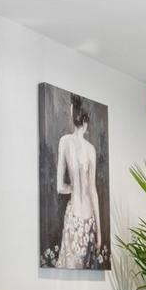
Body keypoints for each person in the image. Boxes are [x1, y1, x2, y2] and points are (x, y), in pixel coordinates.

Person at [53, 95, 102, 269]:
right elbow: (93, 191)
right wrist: (100, 234)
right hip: (89, 220)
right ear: (87, 121)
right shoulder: (91, 149)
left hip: (74, 216)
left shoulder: (64, 142)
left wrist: (73, 188)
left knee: (70, 268)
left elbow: (60, 187)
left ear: (73, 113)